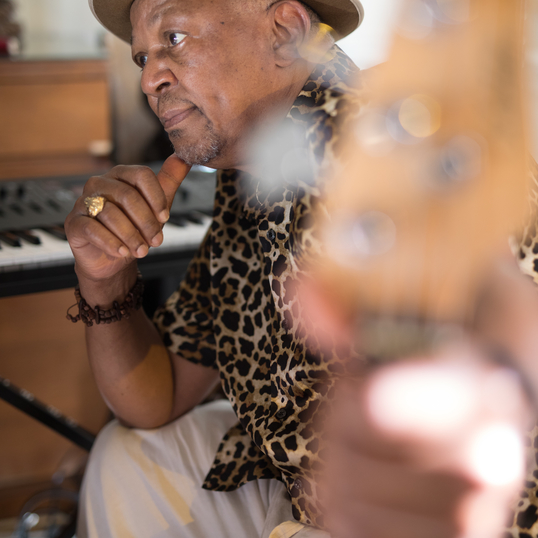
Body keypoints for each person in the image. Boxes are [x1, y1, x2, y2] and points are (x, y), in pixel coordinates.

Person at [64, 0, 538, 537]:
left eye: (173, 39)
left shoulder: (399, 151)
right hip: (305, 493)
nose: (150, 78)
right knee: (132, 459)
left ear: (285, 29)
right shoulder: (248, 176)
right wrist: (103, 280)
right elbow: (159, 396)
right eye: (141, 58)